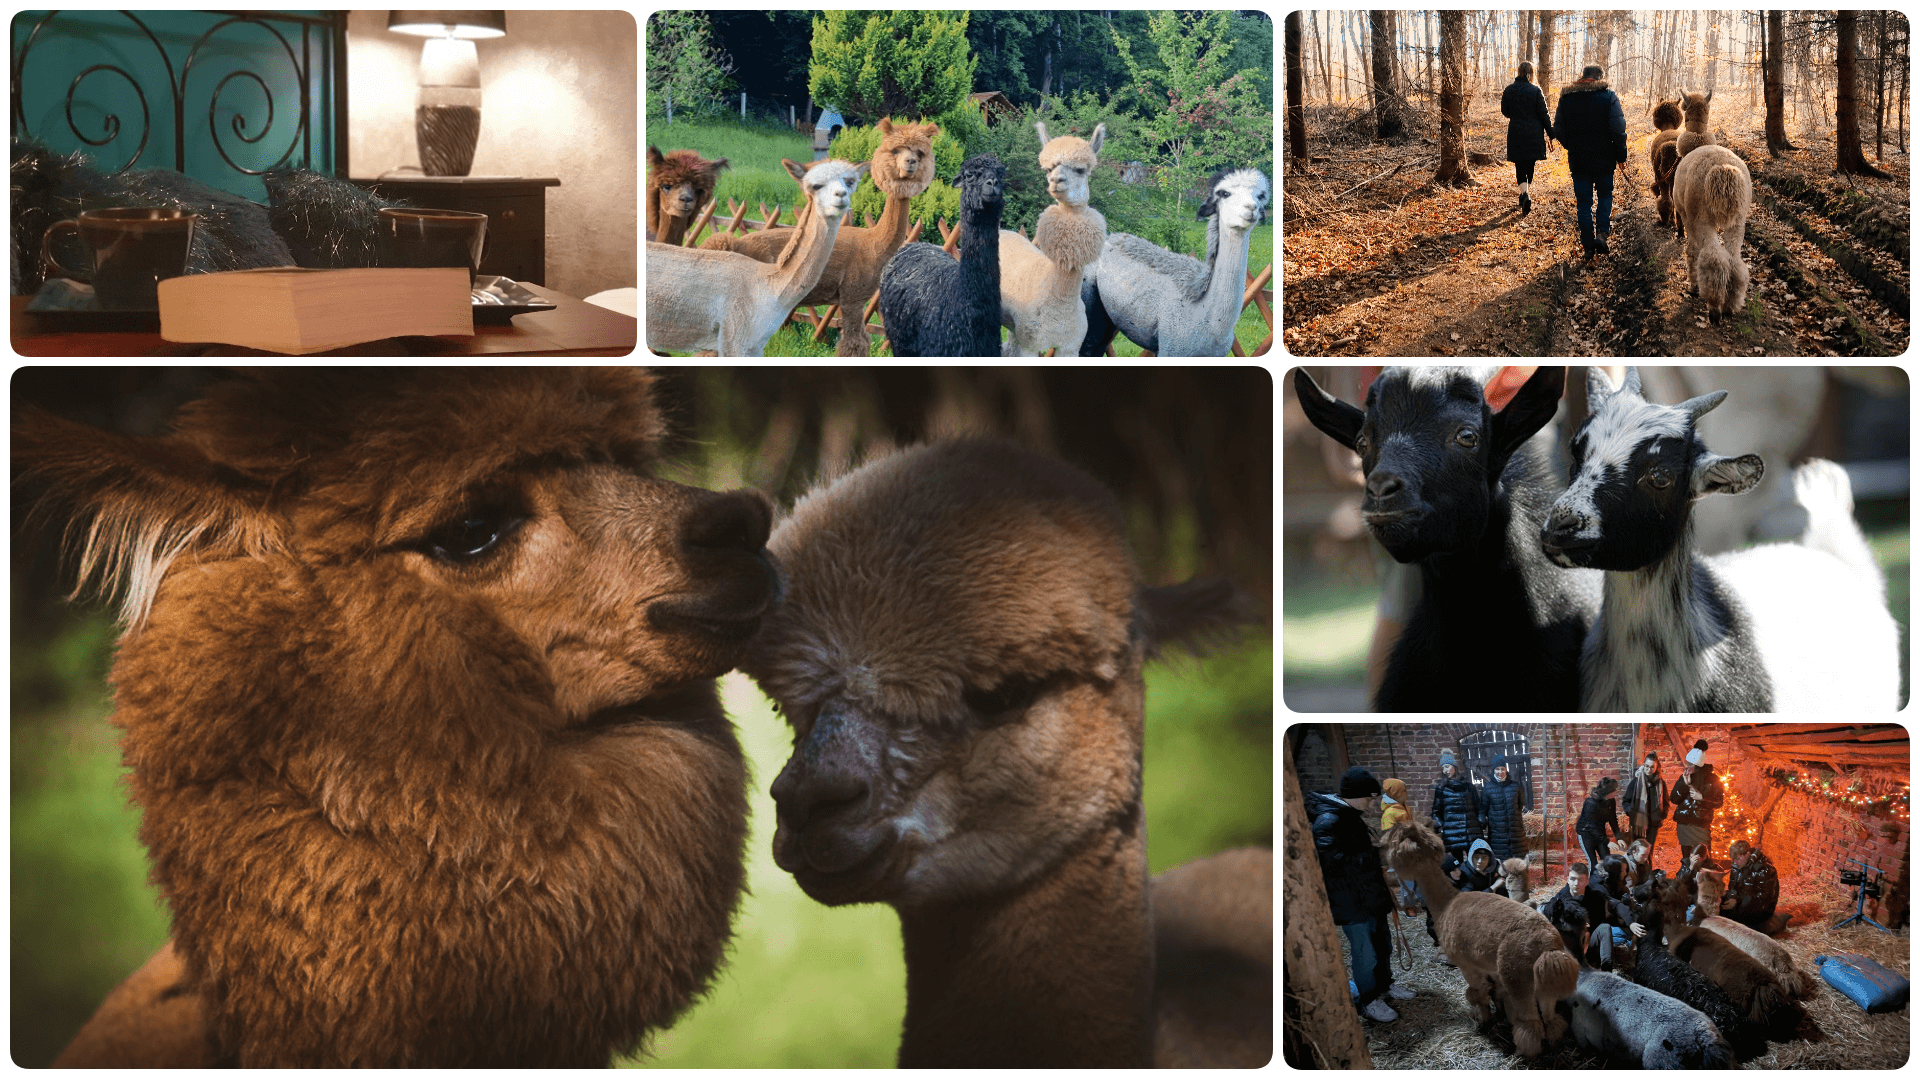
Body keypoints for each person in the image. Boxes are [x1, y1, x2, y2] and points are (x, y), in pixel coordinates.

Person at [1309, 766, 1409, 1023]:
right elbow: (1331, 864)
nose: (1372, 802)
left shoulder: (1350, 815)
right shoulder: (1328, 822)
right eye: (1369, 797)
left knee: (1382, 945)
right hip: (1351, 902)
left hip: (1369, 896)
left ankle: (1384, 987)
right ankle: (1368, 1000)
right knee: (1365, 953)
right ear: (1355, 794)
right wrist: (1375, 856)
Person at [1551, 63, 1628, 259]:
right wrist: (1621, 157)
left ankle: (1588, 247)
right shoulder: (1608, 97)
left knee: (1583, 203)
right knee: (1605, 195)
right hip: (1605, 159)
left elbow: (1558, 128)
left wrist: (1572, 145)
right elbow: (1618, 130)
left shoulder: (1567, 98)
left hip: (1579, 160)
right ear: (1600, 78)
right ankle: (1601, 234)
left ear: (1583, 76)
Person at [1501, 61, 1554, 217]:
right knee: (1529, 164)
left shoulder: (1509, 90)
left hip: (1516, 132)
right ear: (1532, 73)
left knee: (1519, 165)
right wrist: (1552, 134)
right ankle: (1526, 193)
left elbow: (1505, 111)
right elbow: (1544, 115)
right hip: (1534, 133)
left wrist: (1516, 114)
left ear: (1519, 72)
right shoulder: (1536, 90)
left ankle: (1524, 194)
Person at [1542, 862, 1618, 970]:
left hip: (1588, 940)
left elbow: (1600, 919)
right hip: (1569, 946)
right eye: (1572, 879)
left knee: (1605, 928)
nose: (1576, 883)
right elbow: (1550, 918)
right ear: (1568, 879)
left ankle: (1607, 969)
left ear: (1587, 881)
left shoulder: (1596, 898)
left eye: (1580, 880)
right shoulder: (1560, 899)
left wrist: (1589, 924)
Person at [1670, 739, 1725, 858]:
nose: (1687, 766)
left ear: (1698, 766)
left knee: (1704, 857)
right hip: (1684, 824)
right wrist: (1684, 784)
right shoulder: (1684, 777)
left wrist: (1702, 798)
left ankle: (1703, 877)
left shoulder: (1713, 779)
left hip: (1701, 825)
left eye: (1690, 764)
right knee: (1686, 858)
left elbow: (1719, 802)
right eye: (1687, 763)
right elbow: (1673, 799)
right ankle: (1688, 876)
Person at [1428, 750, 1487, 861]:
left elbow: (1479, 807)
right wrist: (1442, 827)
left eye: (1447, 766)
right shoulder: (1441, 789)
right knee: (1456, 867)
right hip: (1452, 835)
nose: (1445, 771)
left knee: (1474, 863)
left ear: (1454, 766)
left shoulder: (1468, 786)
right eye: (1443, 768)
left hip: (1471, 832)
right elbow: (1435, 813)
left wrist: (1481, 820)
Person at [1722, 839, 1780, 930]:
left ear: (1747, 854)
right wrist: (1731, 896)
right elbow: (1733, 888)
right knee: (1719, 899)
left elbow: (1764, 898)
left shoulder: (1764, 870)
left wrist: (1737, 900)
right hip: (1741, 902)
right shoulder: (1736, 866)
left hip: (1760, 908)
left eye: (1738, 859)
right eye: (1733, 859)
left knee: (1741, 910)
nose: (1735, 862)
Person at [1620, 751, 1669, 856]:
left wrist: (1662, 815)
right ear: (1643, 765)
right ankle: (1637, 870)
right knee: (1638, 850)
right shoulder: (1636, 782)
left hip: (1653, 822)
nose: (1648, 769)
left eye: (1652, 767)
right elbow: (1625, 800)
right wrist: (1631, 811)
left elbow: (1666, 802)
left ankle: (1648, 870)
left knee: (1649, 851)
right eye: (1646, 766)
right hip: (1639, 822)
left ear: (1656, 767)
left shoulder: (1660, 783)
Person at [1483, 753, 1528, 864]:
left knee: (1519, 864)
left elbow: (1520, 805)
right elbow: (1484, 808)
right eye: (1497, 769)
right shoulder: (1488, 789)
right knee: (1502, 865)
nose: (1500, 772)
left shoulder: (1515, 786)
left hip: (1516, 832)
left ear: (1506, 770)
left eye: (1502, 769)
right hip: (1498, 834)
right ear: (1493, 770)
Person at [1576, 776, 1625, 875]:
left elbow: (1612, 819)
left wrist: (1619, 837)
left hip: (1599, 833)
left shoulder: (1611, 801)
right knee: (1593, 864)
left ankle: (1607, 885)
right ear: (1609, 792)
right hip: (1586, 834)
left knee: (1607, 860)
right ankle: (1591, 887)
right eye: (1615, 790)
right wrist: (1606, 841)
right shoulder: (1590, 803)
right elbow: (1591, 826)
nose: (1617, 792)